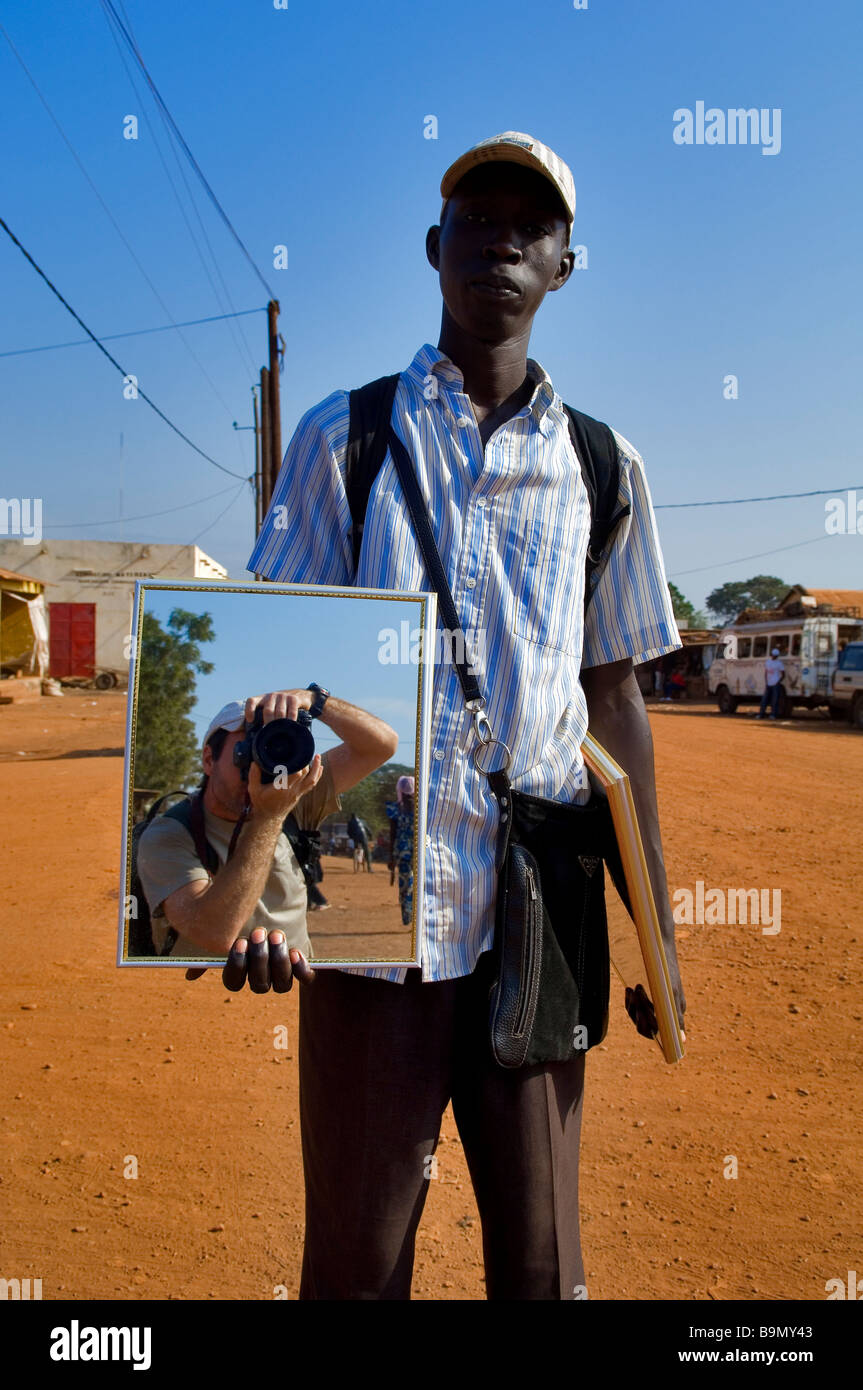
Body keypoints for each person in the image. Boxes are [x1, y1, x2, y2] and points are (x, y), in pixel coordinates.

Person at [234, 132, 686, 1300]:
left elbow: (613, 695)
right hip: (372, 923)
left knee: (539, 1268)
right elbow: (260, 671)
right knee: (354, 1262)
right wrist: (251, 895)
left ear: (564, 265)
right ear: (434, 249)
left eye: (527, 226)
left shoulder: (603, 468)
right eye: (475, 219)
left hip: (538, 931)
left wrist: (653, 924)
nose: (500, 241)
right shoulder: (347, 439)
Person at [139, 689, 397, 962]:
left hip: (295, 985)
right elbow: (214, 933)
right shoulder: (169, 833)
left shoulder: (294, 794)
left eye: (276, 753)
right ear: (208, 759)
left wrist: (315, 700)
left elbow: (382, 745)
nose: (261, 767)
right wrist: (269, 816)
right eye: (248, 752)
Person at [385, 774, 415, 926]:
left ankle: (407, 916)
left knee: (404, 886)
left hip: (402, 853)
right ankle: (417, 917)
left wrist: (390, 857)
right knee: (418, 884)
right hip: (419, 854)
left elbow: (392, 834)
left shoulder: (395, 809)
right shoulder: (421, 809)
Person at [756, 647, 785, 720]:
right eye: (773, 655)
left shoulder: (779, 663)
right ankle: (761, 714)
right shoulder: (768, 662)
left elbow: (783, 674)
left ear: (777, 656)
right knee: (764, 700)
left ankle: (773, 715)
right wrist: (766, 681)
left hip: (775, 684)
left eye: (775, 655)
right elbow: (766, 672)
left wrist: (778, 681)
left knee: (774, 701)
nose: (773, 656)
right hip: (768, 684)